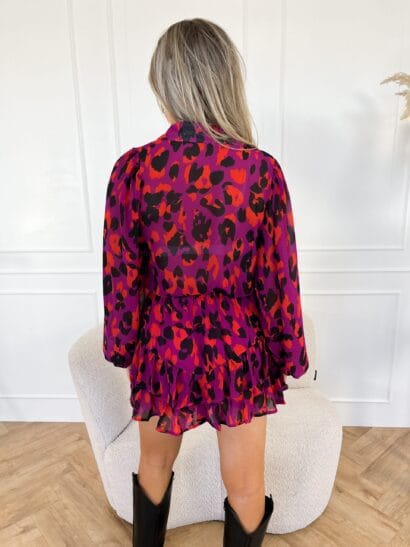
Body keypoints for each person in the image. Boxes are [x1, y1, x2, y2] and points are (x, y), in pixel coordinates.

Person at [102, 17, 309, 547]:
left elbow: (122, 274)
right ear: (225, 79)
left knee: (154, 465)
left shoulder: (133, 171)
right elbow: (278, 280)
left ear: (165, 83)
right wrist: (290, 355)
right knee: (246, 487)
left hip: (164, 344)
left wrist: (122, 345)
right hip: (239, 348)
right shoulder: (260, 172)